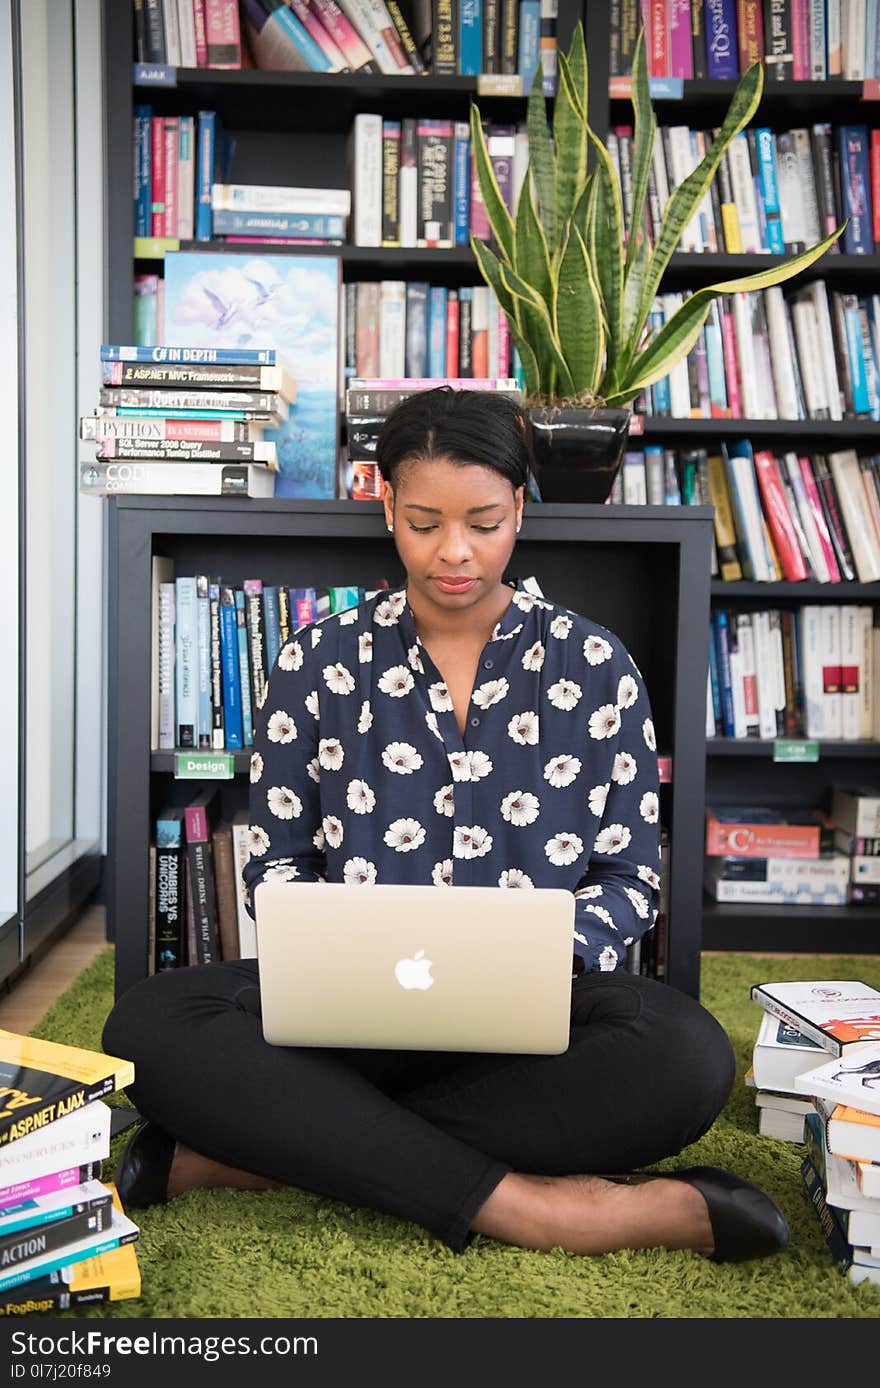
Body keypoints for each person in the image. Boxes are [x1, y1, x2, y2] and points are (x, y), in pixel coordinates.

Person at [104, 387, 789, 1264]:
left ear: (520, 509)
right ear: (384, 501)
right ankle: (548, 1213)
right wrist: (335, 946)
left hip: (537, 1027)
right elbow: (276, 862)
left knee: (687, 1059)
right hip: (346, 1026)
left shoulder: (596, 662)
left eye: (486, 521)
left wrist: (539, 953)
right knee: (151, 1024)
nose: (455, 552)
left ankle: (257, 1153)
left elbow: (632, 879)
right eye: (424, 522)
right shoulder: (315, 661)